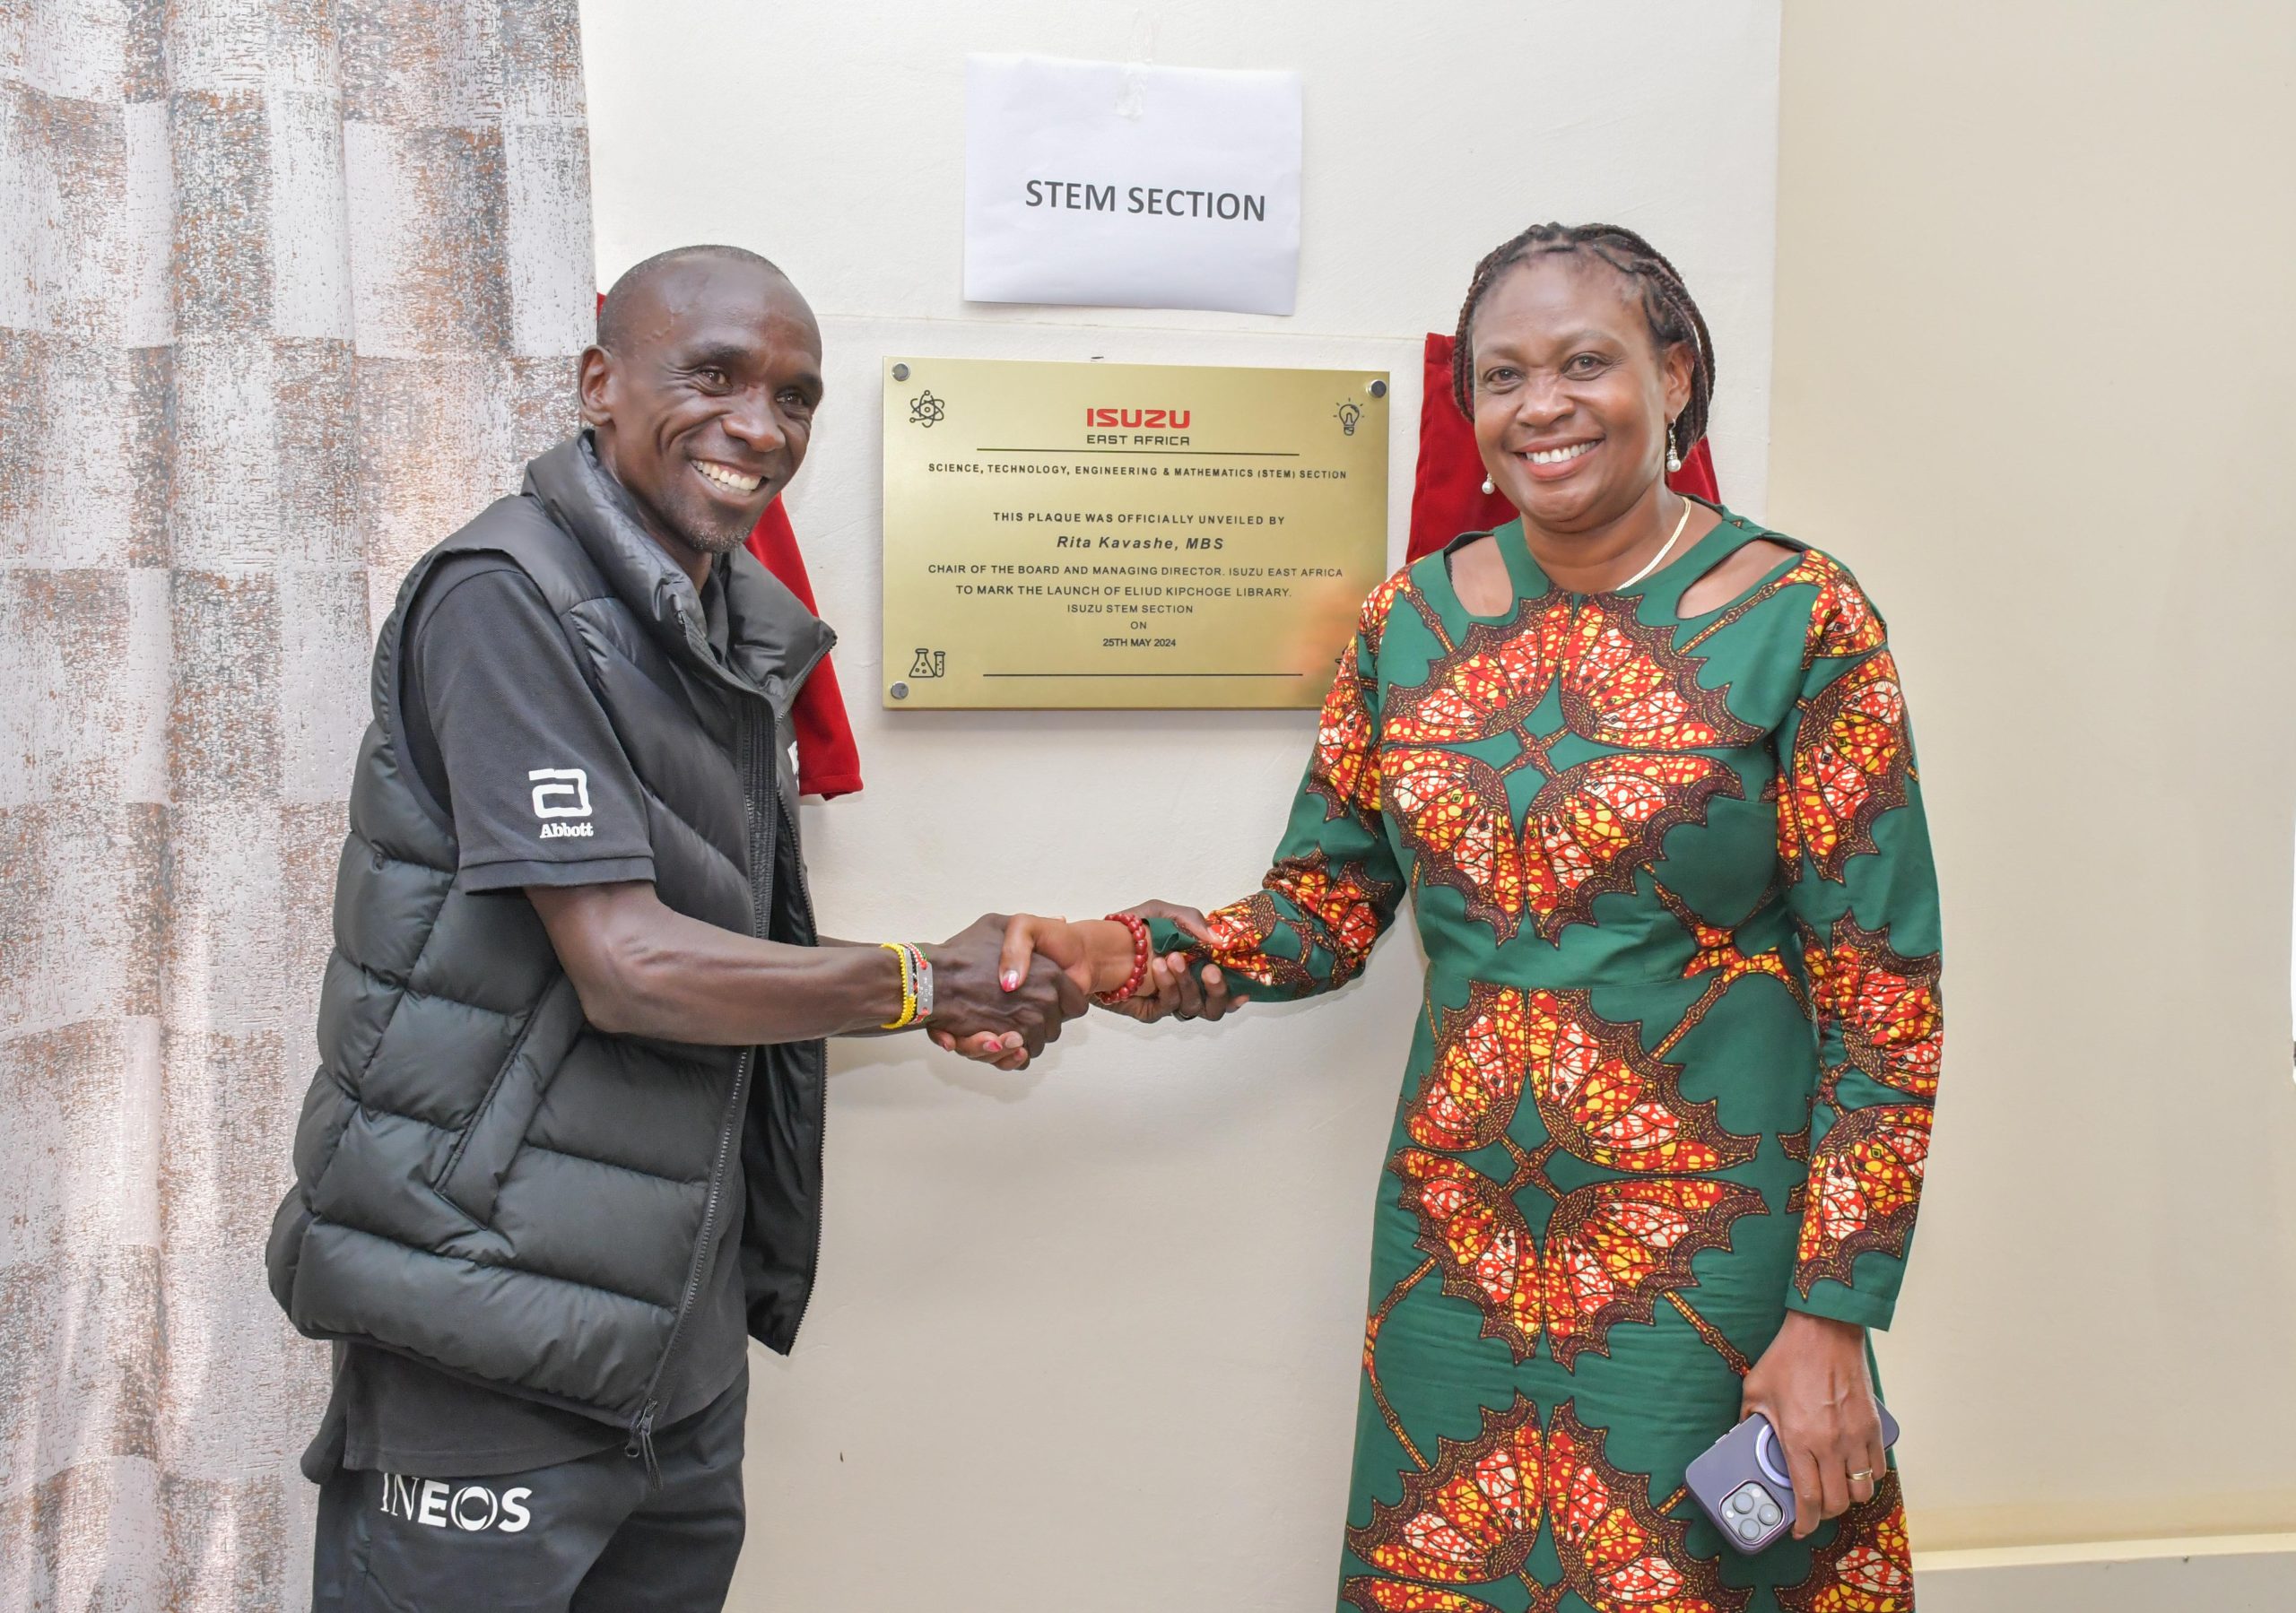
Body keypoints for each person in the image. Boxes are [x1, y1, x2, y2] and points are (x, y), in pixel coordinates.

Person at [1011, 222, 1938, 1609]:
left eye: (1586, 363)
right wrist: (1128, 954)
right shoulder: (1408, 625)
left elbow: (1884, 1002)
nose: (1543, 405)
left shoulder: (1804, 619)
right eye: (1503, 377)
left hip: (1703, 1259)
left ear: (1672, 375)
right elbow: (1321, 910)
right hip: (1459, 1248)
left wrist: (1832, 1315)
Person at [266, 244, 1086, 1611]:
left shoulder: (721, 623)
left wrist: (945, 983)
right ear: (598, 383)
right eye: (712, 375)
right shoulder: (507, 594)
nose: (760, 426)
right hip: (488, 1331)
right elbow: (628, 964)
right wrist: (919, 983)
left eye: (795, 397)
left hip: (668, 1344)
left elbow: (714, 947)